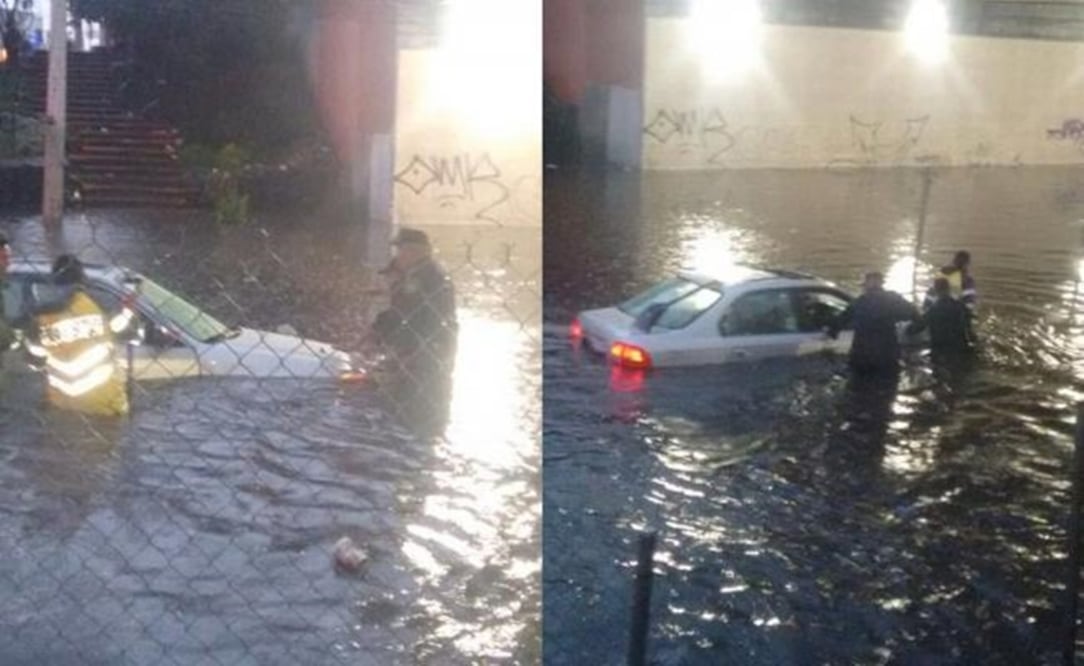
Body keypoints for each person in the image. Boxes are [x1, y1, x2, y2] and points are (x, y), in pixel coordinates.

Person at [369, 228, 457, 431]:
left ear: (418, 250)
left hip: (424, 356)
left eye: (402, 249)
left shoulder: (426, 278)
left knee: (414, 409)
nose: (399, 254)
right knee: (414, 409)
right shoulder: (420, 274)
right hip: (424, 353)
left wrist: (380, 338)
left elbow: (410, 318)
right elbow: (399, 313)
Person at [24, 255, 129, 416]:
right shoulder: (101, 304)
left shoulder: (41, 315)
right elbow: (128, 332)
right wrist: (129, 310)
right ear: (82, 279)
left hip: (63, 406)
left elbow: (35, 362)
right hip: (106, 404)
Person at [828, 271, 921, 377]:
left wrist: (832, 332)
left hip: (863, 355)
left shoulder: (861, 301)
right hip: (887, 354)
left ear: (867, 285)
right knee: (888, 382)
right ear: (881, 284)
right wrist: (914, 327)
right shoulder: (893, 299)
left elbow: (841, 320)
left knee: (861, 383)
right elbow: (913, 313)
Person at [911, 277, 976, 357]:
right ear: (949, 289)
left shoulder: (933, 310)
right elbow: (970, 333)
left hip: (940, 350)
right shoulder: (961, 307)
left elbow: (915, 328)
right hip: (960, 348)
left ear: (936, 291)